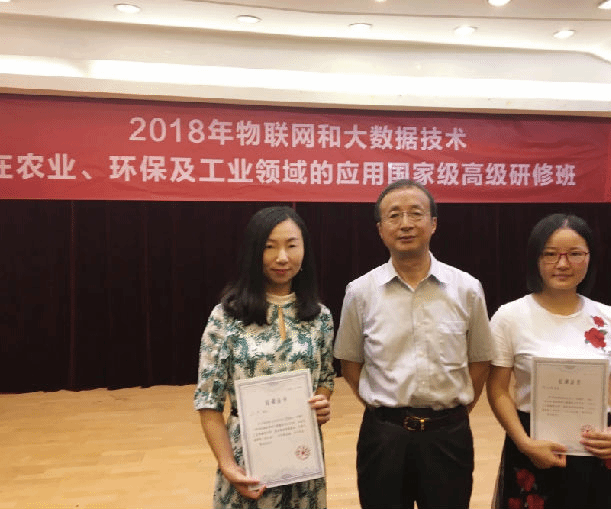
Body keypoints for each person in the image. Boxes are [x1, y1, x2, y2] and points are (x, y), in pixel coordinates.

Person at [334, 179, 495, 509]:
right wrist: (381, 408)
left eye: (415, 214)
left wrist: (455, 412)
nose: (405, 224)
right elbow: (350, 362)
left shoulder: (466, 288)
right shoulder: (360, 292)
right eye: (394, 215)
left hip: (448, 436)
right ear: (380, 229)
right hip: (384, 437)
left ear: (433, 223)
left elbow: (480, 360)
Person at [487, 213, 611, 509]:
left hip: (597, 444)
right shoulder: (510, 317)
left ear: (589, 258)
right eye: (550, 254)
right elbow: (498, 389)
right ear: (535, 259)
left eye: (575, 254)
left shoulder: (608, 318)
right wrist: (524, 442)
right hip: (533, 445)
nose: (562, 264)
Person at [194, 206, 335, 509]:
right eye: (269, 247)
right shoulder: (226, 316)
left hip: (302, 457)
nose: (282, 257)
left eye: (291, 245)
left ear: (304, 251)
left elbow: (325, 379)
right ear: (253, 252)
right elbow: (208, 400)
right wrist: (228, 465)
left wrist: (321, 404)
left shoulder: (320, 317)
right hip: (247, 458)